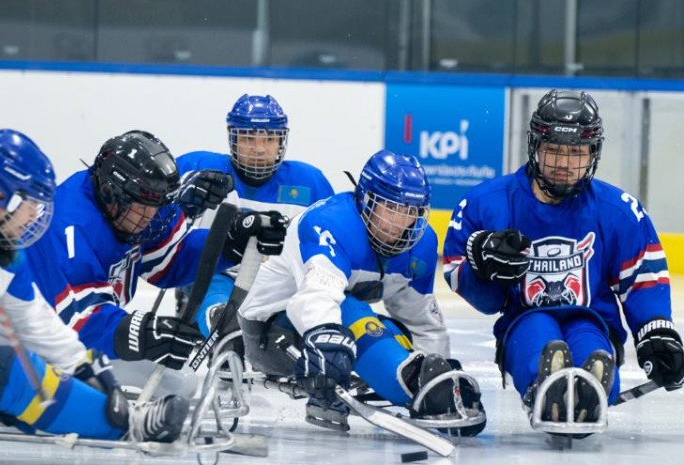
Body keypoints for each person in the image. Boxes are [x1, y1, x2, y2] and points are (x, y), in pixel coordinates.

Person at [0, 124, 188, 443]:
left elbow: (34, 325)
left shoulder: (5, 259)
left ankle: (123, 421)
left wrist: (88, 368)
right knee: (6, 374)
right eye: (31, 202)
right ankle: (129, 426)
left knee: (14, 369)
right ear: (2, 193)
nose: (35, 216)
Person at [442, 89, 683, 434]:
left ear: (593, 153)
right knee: (538, 340)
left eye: (576, 152)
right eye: (554, 150)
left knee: (592, 347)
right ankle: (549, 383)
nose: (565, 164)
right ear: (535, 147)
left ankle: (594, 387)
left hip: (593, 319)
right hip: (524, 319)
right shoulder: (488, 203)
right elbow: (480, 296)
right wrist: (480, 263)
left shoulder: (617, 210)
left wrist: (655, 331)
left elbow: (643, 279)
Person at [237, 149, 485, 436]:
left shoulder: (423, 242)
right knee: (353, 315)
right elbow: (317, 297)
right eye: (391, 208)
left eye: (410, 210)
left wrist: (440, 374)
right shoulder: (329, 223)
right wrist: (327, 339)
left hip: (328, 326)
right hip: (269, 330)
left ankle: (421, 382)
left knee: (392, 330)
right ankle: (409, 385)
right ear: (365, 201)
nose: (400, 221)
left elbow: (422, 321)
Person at [24, 129, 287, 370]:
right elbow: (76, 319)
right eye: (145, 206)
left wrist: (230, 241)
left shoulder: (126, 208)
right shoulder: (71, 229)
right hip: (33, 360)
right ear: (110, 192)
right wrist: (142, 333)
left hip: (74, 351)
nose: (152, 215)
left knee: (178, 389)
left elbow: (167, 263)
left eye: (158, 204)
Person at [176, 94, 334, 341]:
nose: (259, 149)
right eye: (248, 138)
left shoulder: (311, 183)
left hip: (280, 285)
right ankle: (218, 325)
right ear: (233, 138)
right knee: (218, 305)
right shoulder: (199, 167)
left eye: (269, 139)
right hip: (217, 274)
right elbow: (160, 213)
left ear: (281, 141)